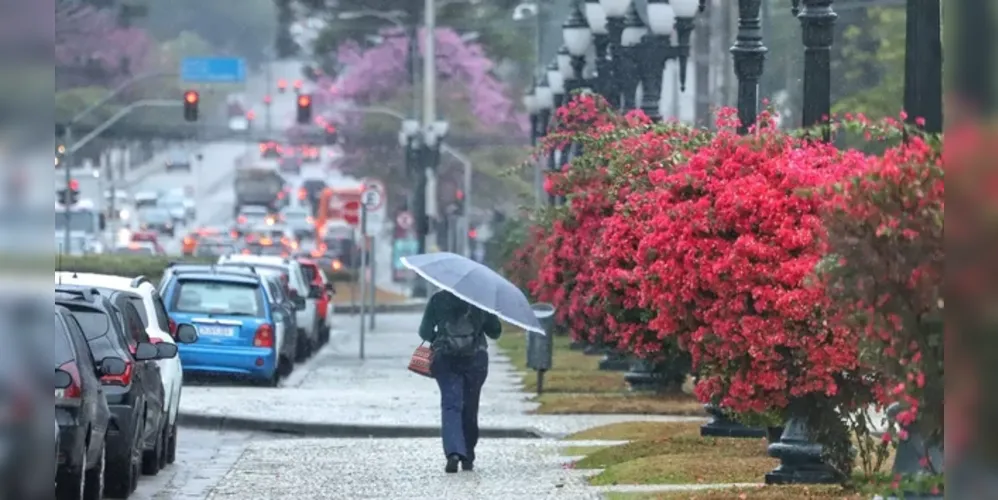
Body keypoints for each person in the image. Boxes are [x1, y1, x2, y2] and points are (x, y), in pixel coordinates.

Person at [418, 289, 501, 473]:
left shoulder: (438, 299)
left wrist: (439, 339)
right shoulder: (480, 299)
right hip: (476, 359)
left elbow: (424, 331)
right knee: (470, 406)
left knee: (451, 404)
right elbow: (495, 332)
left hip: (445, 359)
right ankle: (468, 456)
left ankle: (454, 452)